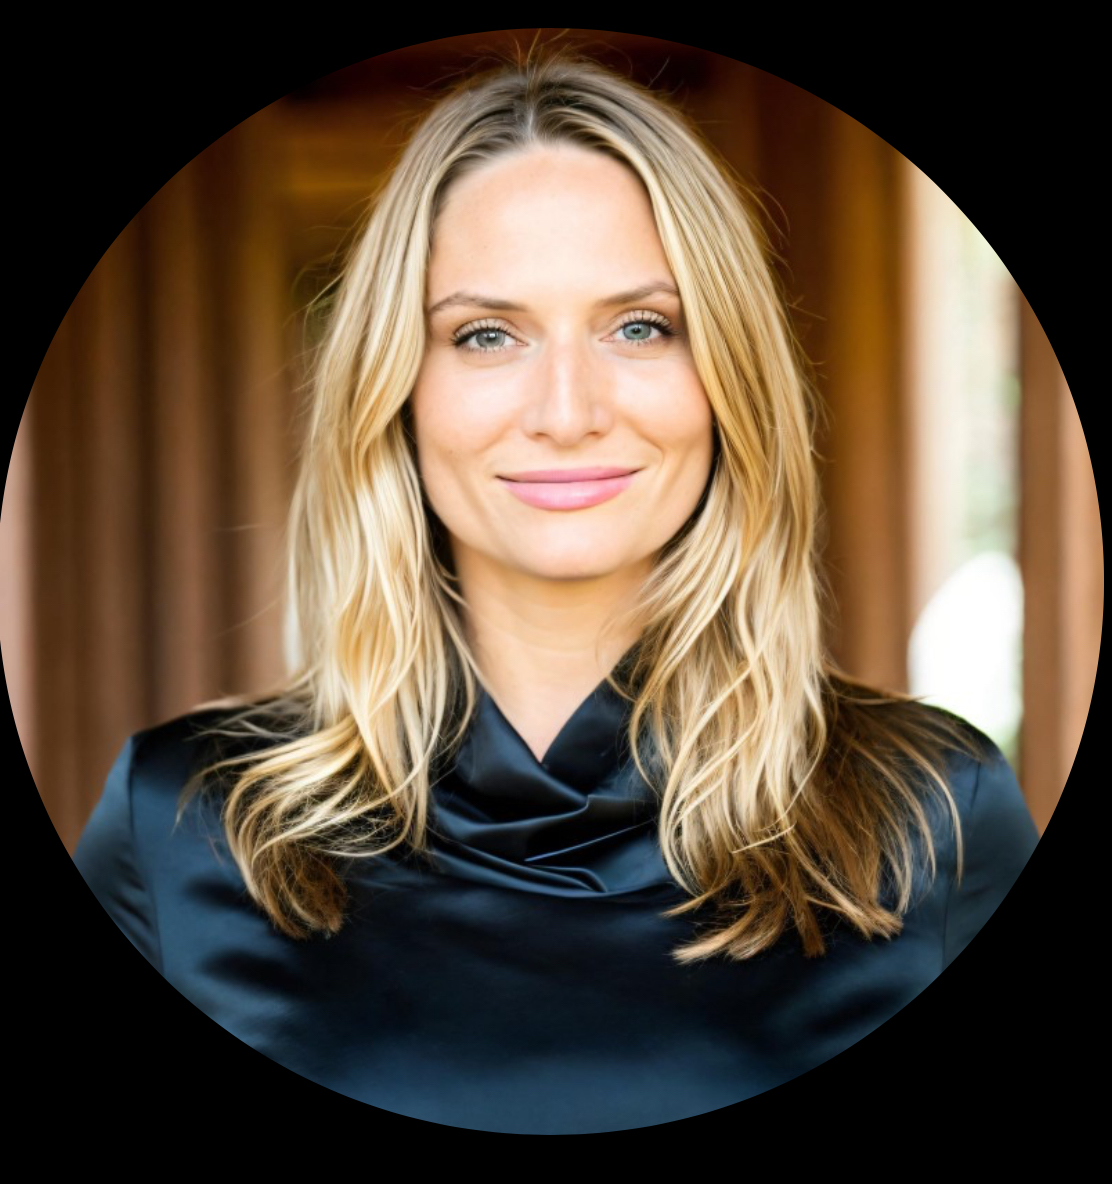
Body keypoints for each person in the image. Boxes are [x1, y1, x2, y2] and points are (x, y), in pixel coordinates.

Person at [73, 45, 1039, 1133]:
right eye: (487, 334)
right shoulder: (182, 824)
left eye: (640, 326)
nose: (567, 407)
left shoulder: (932, 813)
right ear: (395, 395)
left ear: (729, 380)